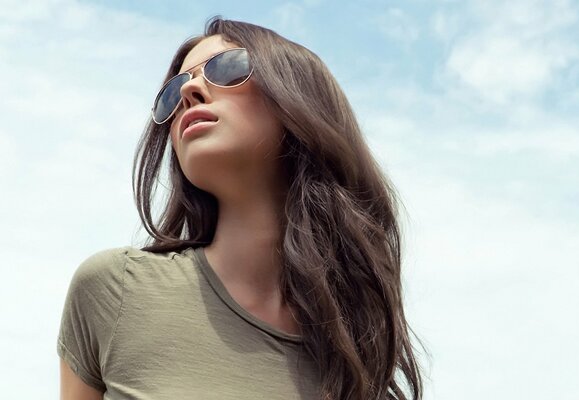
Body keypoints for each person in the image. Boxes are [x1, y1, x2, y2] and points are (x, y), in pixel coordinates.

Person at [57, 16, 424, 400]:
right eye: (173, 92)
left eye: (227, 68)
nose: (191, 91)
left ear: (298, 96)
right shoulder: (113, 292)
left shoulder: (357, 363)